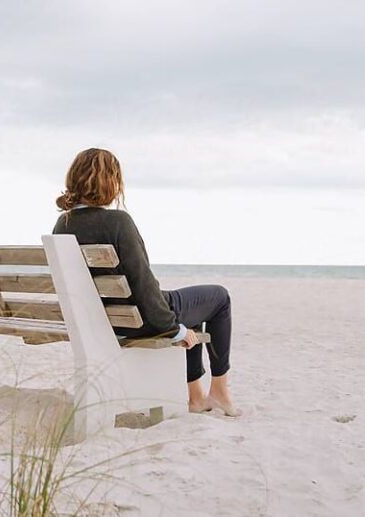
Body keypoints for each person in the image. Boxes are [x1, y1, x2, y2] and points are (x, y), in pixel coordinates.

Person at [52, 148, 241, 417]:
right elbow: (142, 283)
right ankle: (219, 391)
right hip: (141, 320)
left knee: (191, 305)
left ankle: (197, 397)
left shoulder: (62, 225)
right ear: (111, 182)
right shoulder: (118, 222)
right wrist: (174, 329)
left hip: (102, 321)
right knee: (219, 297)